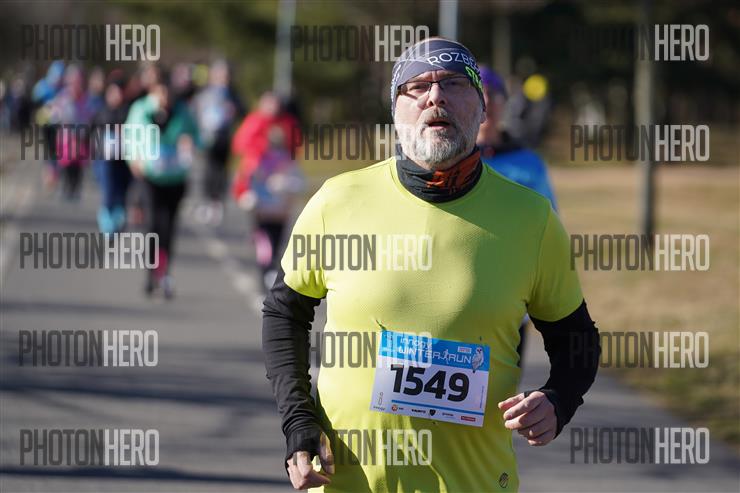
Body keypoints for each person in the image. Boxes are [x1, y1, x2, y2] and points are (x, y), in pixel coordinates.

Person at [262, 37, 601, 492]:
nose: (436, 96)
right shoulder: (337, 201)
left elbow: (576, 338)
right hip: (348, 482)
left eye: (455, 84)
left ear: (483, 109)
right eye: (417, 87)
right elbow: (284, 312)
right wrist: (298, 420)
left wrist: (559, 399)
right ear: (395, 111)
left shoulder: (531, 219)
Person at [476, 66, 559, 367]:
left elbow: (548, 228)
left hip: (510, 300)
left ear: (504, 104)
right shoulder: (447, 159)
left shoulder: (528, 163)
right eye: (479, 94)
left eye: (493, 95)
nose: (487, 102)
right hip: (457, 297)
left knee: (503, 389)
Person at [126, 79, 200, 299]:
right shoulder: (141, 110)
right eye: (160, 94)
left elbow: (197, 137)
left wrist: (190, 143)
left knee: (168, 228)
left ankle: (164, 273)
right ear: (153, 93)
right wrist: (133, 159)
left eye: (168, 94)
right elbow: (129, 136)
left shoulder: (182, 113)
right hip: (150, 177)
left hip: (175, 178)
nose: (164, 99)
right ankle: (151, 274)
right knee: (151, 225)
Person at [193, 60, 244, 225]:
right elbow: (195, 111)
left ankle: (218, 202)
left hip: (224, 137)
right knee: (208, 170)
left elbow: (243, 111)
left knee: (221, 171)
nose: (223, 78)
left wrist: (234, 109)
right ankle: (206, 201)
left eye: (225, 75)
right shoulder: (205, 93)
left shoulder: (233, 94)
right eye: (220, 74)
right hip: (207, 137)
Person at [91, 73, 132, 234]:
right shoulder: (101, 111)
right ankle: (107, 221)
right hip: (105, 159)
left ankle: (118, 219)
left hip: (124, 158)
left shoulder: (129, 111)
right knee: (108, 190)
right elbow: (91, 132)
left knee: (122, 192)